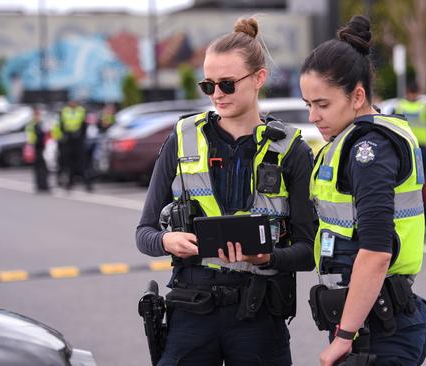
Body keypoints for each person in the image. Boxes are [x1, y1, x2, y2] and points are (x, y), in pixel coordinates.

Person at [136, 17, 316, 366]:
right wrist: (166, 242)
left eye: (228, 84)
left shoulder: (292, 151)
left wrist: (267, 258)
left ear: (259, 78)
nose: (217, 95)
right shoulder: (182, 138)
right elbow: (143, 233)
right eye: (209, 85)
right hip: (191, 310)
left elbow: (309, 252)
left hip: (259, 317)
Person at [299, 15, 426, 366]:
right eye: (308, 105)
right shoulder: (347, 143)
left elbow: (376, 251)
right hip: (372, 320)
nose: (313, 116)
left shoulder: (368, 151)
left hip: (377, 329)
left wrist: (344, 336)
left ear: (357, 95)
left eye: (322, 104)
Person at [394, 81, 426, 176]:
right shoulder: (424, 108)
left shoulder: (399, 107)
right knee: (421, 179)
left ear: (406, 92)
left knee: (405, 178)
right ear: (418, 92)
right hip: (420, 149)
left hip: (404, 148)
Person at [58, 99, 92, 191]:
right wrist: (65, 136)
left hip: (79, 140)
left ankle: (88, 184)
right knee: (70, 164)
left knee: (83, 163)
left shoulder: (81, 111)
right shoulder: (65, 111)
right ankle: (70, 183)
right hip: (69, 141)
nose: (72, 104)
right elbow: (62, 125)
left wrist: (82, 136)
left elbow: (84, 125)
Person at [25, 106, 49, 192]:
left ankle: (43, 185)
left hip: (41, 148)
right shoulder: (32, 125)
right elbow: (30, 138)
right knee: (39, 168)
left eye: (38, 115)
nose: (38, 116)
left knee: (43, 168)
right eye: (36, 115)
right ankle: (41, 186)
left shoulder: (40, 124)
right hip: (35, 148)